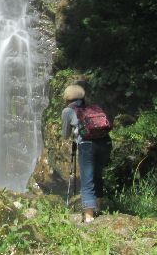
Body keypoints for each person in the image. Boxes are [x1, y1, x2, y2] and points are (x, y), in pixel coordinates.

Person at [61, 84, 112, 223]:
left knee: (87, 179)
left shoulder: (67, 111)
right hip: (105, 143)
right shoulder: (93, 107)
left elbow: (65, 135)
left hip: (87, 146)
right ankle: (98, 208)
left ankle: (89, 217)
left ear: (67, 98)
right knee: (97, 176)